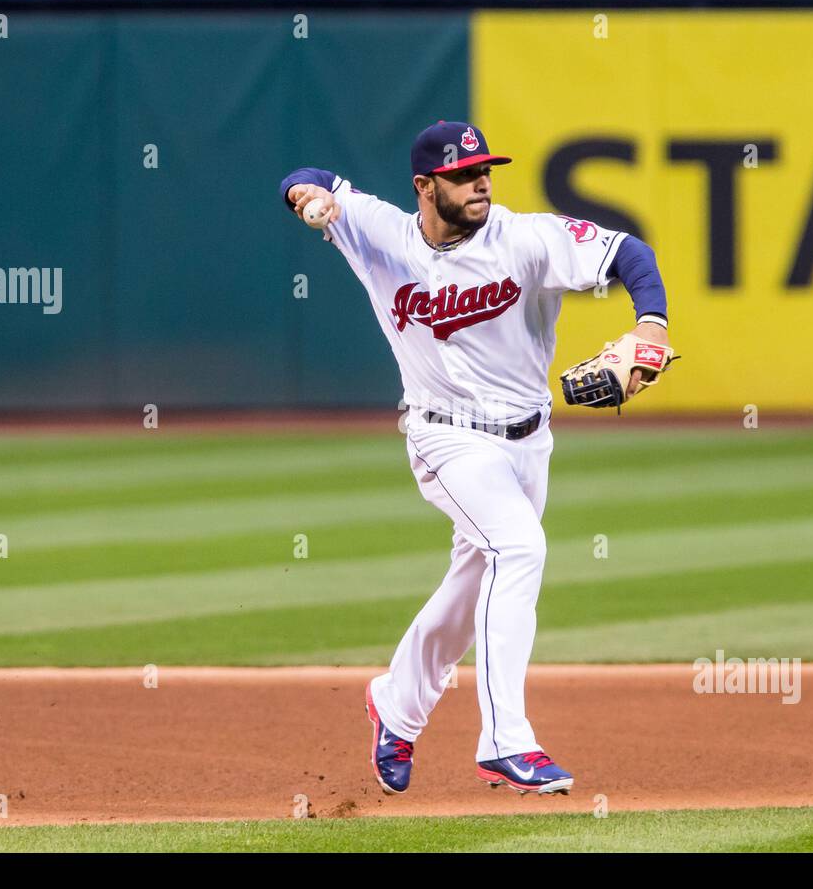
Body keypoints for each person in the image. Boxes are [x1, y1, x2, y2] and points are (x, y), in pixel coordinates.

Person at [278, 120, 672, 796]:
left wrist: (650, 326)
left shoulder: (525, 238)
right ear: (425, 187)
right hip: (444, 437)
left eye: (484, 169)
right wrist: (307, 200)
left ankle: (394, 706)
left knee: (470, 588)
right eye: (463, 174)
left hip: (529, 443)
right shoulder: (378, 231)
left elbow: (630, 254)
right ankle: (506, 742)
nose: (480, 181)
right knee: (518, 550)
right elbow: (302, 176)